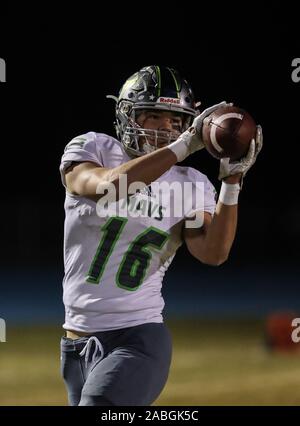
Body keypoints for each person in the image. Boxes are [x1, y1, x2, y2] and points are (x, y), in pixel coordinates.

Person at [59, 65, 263, 406]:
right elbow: (110, 188)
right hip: (75, 341)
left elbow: (213, 253)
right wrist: (183, 147)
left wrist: (231, 183)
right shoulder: (93, 148)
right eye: (154, 115)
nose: (167, 127)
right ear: (128, 116)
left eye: (175, 119)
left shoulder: (192, 184)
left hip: (139, 337)